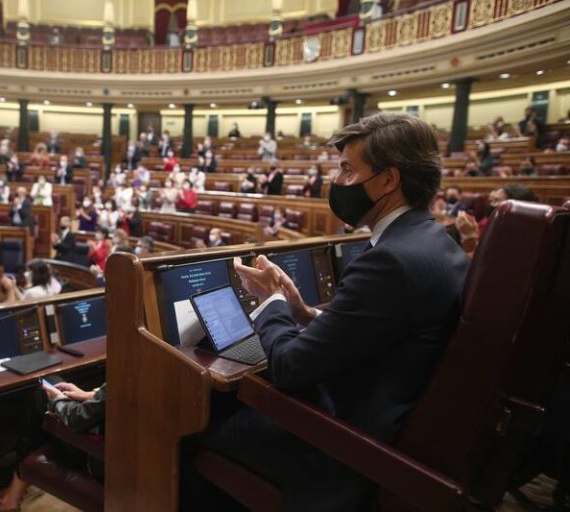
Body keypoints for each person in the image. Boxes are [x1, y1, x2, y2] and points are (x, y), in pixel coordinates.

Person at [183, 113, 470, 510]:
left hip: (343, 448)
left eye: (348, 169)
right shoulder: (436, 242)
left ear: (389, 179)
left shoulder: (390, 261)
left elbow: (289, 367)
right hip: (386, 423)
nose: (337, 181)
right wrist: (303, 314)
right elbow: (378, 334)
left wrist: (270, 301)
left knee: (188, 424)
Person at [0, 379, 105, 512]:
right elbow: (112, 396)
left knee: (42, 397)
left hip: (100, 459)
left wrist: (57, 400)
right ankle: (11, 499)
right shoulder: (133, 372)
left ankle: (11, 500)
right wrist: (89, 395)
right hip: (126, 457)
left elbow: (77, 419)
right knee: (52, 385)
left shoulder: (126, 369)